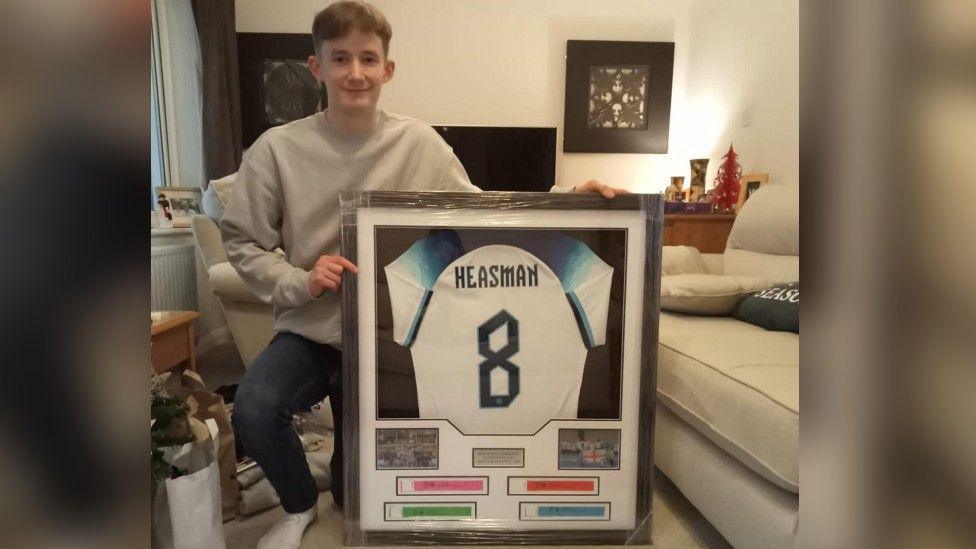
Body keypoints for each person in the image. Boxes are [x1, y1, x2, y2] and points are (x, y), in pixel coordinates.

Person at [220, 2, 625, 547]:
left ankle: (336, 481)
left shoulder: (421, 143)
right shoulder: (275, 150)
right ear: (317, 68)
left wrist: (567, 202)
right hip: (314, 330)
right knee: (255, 407)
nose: (355, 73)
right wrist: (300, 278)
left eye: (368, 58)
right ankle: (297, 506)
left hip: (392, 335)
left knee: (355, 494)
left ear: (388, 69)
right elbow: (242, 242)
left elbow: (483, 213)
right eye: (340, 59)